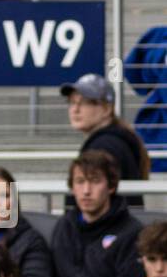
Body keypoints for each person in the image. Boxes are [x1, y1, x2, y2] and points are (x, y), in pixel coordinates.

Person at [51, 151, 144, 277]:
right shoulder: (64, 226)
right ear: (72, 187)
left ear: (111, 186)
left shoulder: (132, 232)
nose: (86, 191)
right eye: (80, 181)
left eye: (95, 181)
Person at [62, 73, 149, 208]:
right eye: (72, 102)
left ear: (107, 109)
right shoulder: (115, 139)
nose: (75, 109)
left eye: (85, 102)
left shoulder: (104, 146)